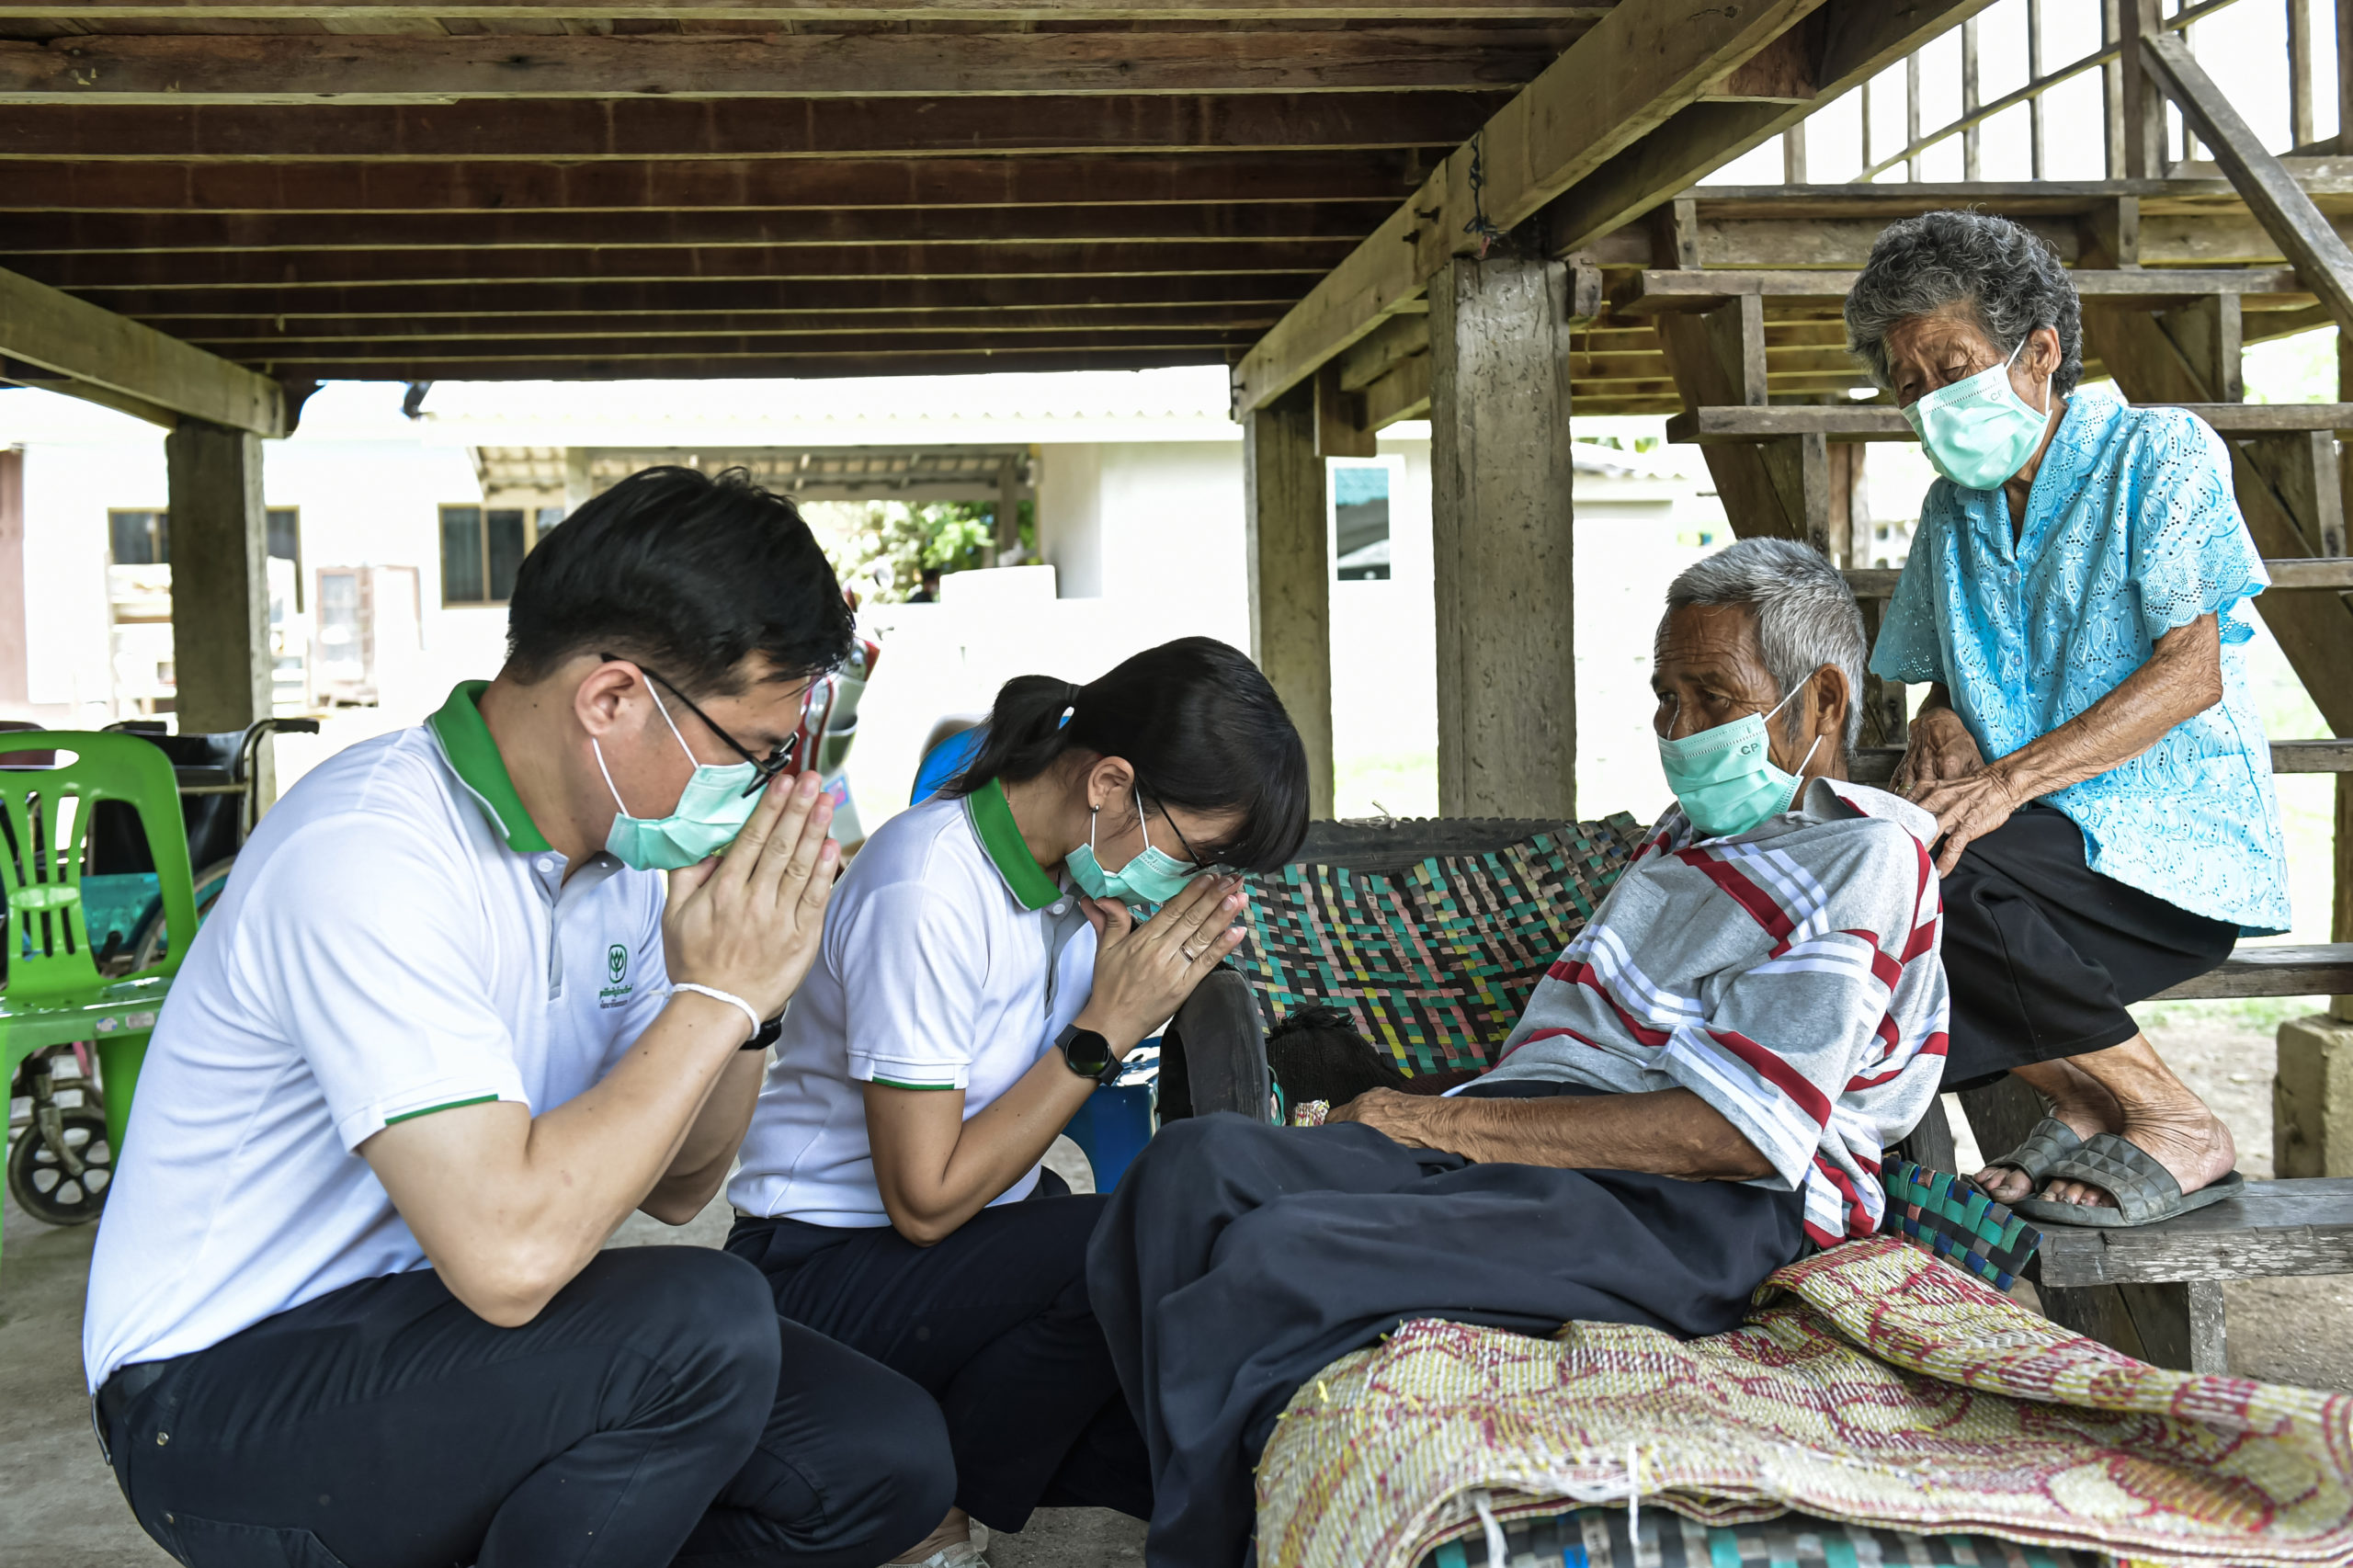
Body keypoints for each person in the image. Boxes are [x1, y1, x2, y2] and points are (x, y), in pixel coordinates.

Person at [82, 467, 957, 1568]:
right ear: (612, 699)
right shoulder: (371, 850)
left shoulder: (629, 856)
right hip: (216, 1394)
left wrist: (751, 1005)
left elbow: (682, 1184)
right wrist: (715, 994)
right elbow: (508, 1254)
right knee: (702, 1325)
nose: (766, 785)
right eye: (751, 751)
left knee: (881, 1454)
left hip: (434, 1331)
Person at [1086, 540, 1951, 1568]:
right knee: (1186, 1172)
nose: (1677, 731)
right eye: (1664, 698)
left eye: (1710, 699)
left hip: (1699, 1204)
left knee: (1275, 1265)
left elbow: (1731, 1134)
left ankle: (1197, 1545)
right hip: (1553, 1144)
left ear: (1823, 703)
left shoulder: (1865, 856)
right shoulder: (1689, 836)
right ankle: (1196, 1506)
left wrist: (1429, 1118)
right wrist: (1445, 1118)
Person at [724, 637, 1309, 1568]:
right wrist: (1101, 1031)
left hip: (959, 1250)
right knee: (1130, 1239)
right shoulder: (927, 887)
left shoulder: (1072, 888)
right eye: (1196, 853)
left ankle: (927, 1460)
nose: (1192, 882)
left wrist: (1109, 998)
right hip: (815, 1269)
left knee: (1172, 1430)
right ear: (1109, 783)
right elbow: (923, 1200)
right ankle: (924, 1504)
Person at [1846, 210, 2286, 1227]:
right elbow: (1952, 673)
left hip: (2164, 843)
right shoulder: (1951, 512)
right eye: (1908, 384)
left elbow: (2191, 673)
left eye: (1952, 367)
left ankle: (2174, 1117)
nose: (1930, 401)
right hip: (2038, 846)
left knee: (1937, 874)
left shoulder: (2157, 452)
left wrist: (2003, 781)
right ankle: (2086, 1103)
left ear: (2039, 352)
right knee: (1869, 875)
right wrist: (1942, 718)